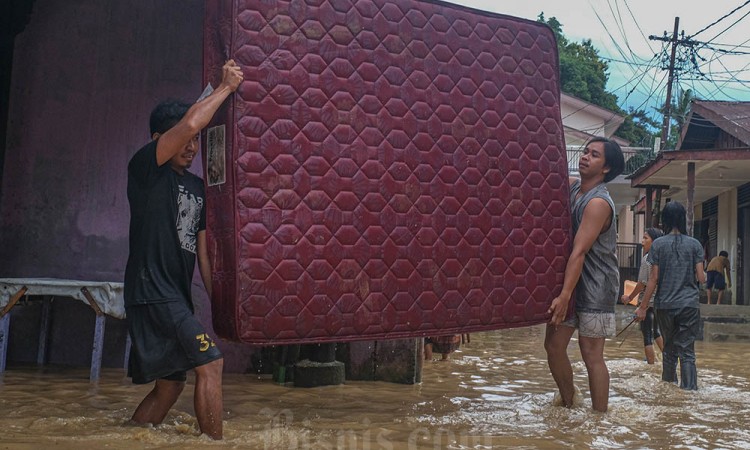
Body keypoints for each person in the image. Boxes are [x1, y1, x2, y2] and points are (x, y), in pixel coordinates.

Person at [124, 60, 243, 439]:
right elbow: (192, 122)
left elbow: (204, 256)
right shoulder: (145, 168)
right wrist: (224, 88)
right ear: (160, 138)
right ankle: (215, 446)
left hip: (174, 297)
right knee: (212, 364)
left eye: (196, 143)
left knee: (170, 386)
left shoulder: (196, 187)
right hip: (152, 292)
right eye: (185, 140)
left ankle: (129, 439)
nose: (192, 146)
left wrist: (219, 307)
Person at [545, 137, 625, 412]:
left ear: (606, 168)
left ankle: (599, 418)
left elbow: (579, 252)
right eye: (585, 151)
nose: (585, 157)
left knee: (592, 355)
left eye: (594, 155)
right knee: (553, 346)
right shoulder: (574, 188)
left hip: (596, 285)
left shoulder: (598, 203)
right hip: (570, 279)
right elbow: (550, 176)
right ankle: (569, 404)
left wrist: (565, 295)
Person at [636, 201, 705, 390]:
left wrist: (642, 307)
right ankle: (689, 392)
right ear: (683, 219)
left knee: (669, 350)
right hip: (689, 305)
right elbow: (701, 277)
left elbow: (653, 278)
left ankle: (668, 389)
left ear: (664, 220)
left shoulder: (658, 245)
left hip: (665, 305)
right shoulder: (695, 244)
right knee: (687, 352)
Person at [620, 228, 665, 364]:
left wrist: (629, 297)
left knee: (647, 335)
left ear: (654, 241)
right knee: (657, 331)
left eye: (646, 238)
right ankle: (669, 359)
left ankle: (651, 366)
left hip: (648, 302)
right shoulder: (663, 258)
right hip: (660, 302)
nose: (642, 241)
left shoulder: (647, 259)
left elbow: (641, 284)